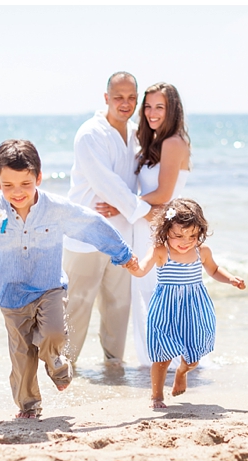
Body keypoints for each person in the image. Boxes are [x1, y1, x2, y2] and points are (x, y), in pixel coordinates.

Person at [0, 139, 138, 419]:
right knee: (22, 357)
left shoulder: (55, 209)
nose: (17, 192)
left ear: (39, 178)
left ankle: (56, 363)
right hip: (11, 296)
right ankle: (29, 406)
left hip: (49, 287)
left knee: (54, 332)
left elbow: (89, 224)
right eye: (8, 185)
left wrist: (123, 254)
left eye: (25, 184)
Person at [63, 72, 155, 364]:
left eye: (131, 97)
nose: (125, 103)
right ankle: (64, 372)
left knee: (119, 307)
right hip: (86, 235)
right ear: (106, 99)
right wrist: (145, 211)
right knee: (76, 308)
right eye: (118, 97)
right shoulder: (90, 133)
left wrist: (130, 206)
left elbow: (132, 183)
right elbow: (106, 183)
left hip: (122, 236)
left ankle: (114, 369)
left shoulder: (136, 134)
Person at [98, 82, 190, 368]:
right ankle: (152, 363)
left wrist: (123, 205)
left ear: (172, 109)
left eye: (159, 107)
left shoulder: (174, 142)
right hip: (144, 225)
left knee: (159, 297)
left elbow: (164, 195)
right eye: (147, 106)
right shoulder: (152, 142)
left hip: (161, 229)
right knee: (144, 295)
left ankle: (170, 364)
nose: (151, 112)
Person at [125, 198, 246, 409]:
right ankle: (157, 396)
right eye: (178, 235)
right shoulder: (160, 251)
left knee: (193, 358)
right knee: (161, 356)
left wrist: (231, 279)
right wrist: (130, 265)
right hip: (166, 308)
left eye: (192, 235)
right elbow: (141, 270)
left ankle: (181, 372)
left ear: (200, 231)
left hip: (194, 307)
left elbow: (214, 270)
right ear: (166, 231)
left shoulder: (202, 251)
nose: (186, 241)